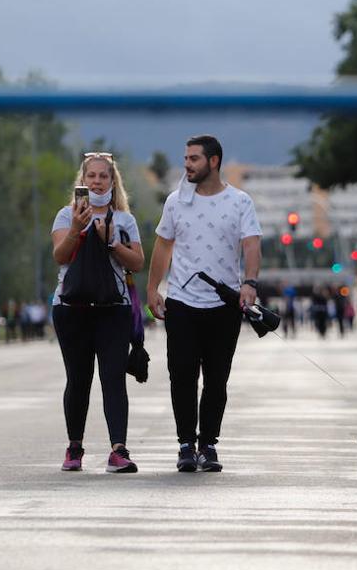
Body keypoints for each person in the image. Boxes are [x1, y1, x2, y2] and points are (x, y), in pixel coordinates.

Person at [147, 135, 262, 474]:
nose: (187, 164)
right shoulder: (175, 202)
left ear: (214, 161)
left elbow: (251, 245)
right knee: (181, 374)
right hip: (182, 302)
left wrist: (249, 282)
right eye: (185, 158)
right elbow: (163, 247)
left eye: (194, 158)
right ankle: (186, 444)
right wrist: (153, 289)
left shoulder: (240, 202)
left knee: (216, 379)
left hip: (223, 304)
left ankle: (208, 443)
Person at [51, 152, 144, 474]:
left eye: (104, 176)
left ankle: (118, 450)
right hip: (71, 308)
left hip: (113, 309)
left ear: (112, 181)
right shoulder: (66, 215)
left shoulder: (124, 220)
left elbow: (137, 263)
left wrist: (111, 242)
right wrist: (78, 227)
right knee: (78, 380)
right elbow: (60, 257)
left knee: (113, 379)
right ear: (83, 180)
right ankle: (74, 447)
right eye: (92, 176)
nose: (97, 181)